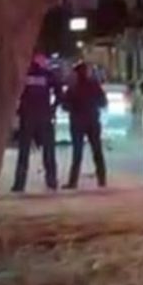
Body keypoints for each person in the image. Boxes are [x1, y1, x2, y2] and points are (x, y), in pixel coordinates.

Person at [12, 52, 62, 192]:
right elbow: (59, 92)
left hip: (27, 116)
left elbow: (15, 93)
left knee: (24, 151)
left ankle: (19, 183)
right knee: (48, 151)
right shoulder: (47, 75)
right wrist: (53, 108)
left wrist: (18, 110)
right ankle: (51, 181)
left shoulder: (24, 74)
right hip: (43, 116)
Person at [62, 61, 108, 189]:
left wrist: (74, 108)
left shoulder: (73, 87)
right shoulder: (94, 85)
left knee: (77, 153)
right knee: (97, 151)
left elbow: (65, 105)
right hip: (93, 121)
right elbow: (103, 102)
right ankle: (102, 179)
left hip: (77, 123)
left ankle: (73, 182)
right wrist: (92, 105)